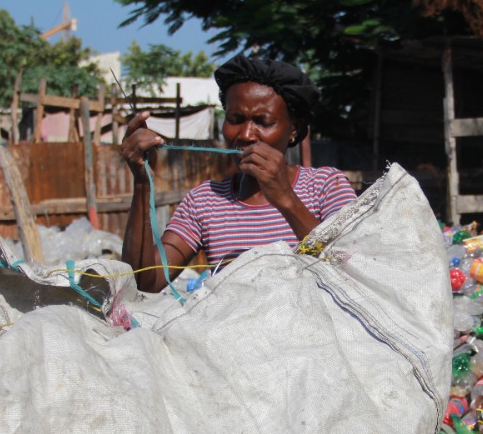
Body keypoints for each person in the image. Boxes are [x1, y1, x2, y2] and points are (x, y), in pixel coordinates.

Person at [120, 55, 358, 292]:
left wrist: (286, 199)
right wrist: (142, 181)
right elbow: (146, 281)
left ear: (293, 129)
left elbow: (353, 269)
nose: (246, 134)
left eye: (263, 122)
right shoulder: (205, 200)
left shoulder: (326, 186)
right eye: (235, 119)